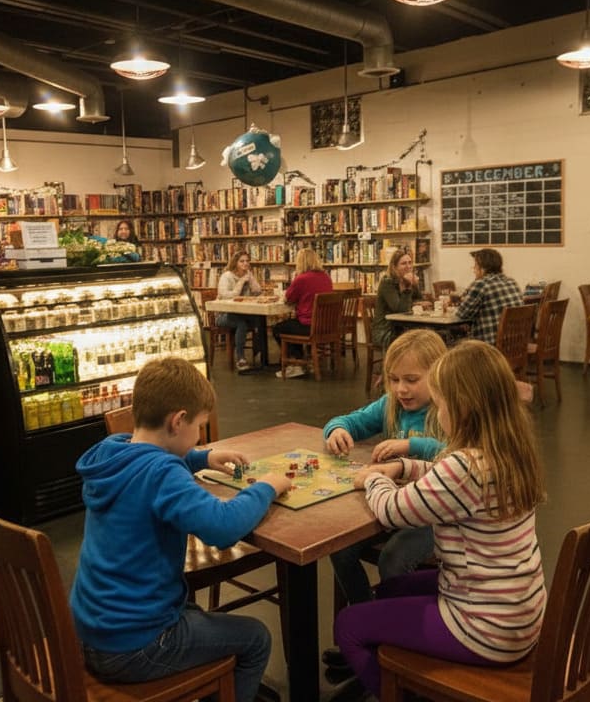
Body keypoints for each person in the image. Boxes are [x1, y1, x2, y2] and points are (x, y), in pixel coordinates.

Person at [332, 340, 546, 700]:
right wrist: (402, 466)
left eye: (442, 403)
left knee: (349, 625)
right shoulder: (506, 452)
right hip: (519, 613)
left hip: (485, 629)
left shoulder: (462, 468)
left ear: (460, 409)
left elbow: (392, 509)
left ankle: (399, 691)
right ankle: (399, 669)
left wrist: (374, 478)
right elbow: (442, 476)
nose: (439, 412)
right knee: (385, 593)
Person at [70, 357, 292, 702]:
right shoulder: (162, 475)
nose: (200, 436)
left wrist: (200, 457)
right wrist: (267, 487)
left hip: (91, 631)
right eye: (199, 427)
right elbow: (223, 528)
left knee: (198, 616)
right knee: (256, 638)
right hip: (136, 646)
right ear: (178, 421)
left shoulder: (110, 453)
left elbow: (148, 457)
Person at [324, 329, 448, 607]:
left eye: (411, 380)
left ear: (439, 375)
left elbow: (456, 454)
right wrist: (336, 430)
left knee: (392, 560)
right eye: (393, 380)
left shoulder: (446, 410)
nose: (401, 389)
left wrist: (411, 447)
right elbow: (350, 421)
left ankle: (399, 625)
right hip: (389, 504)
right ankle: (366, 610)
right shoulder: (391, 405)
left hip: (432, 516)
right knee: (339, 548)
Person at [272, 247, 334, 379]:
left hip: (309, 326)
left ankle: (296, 364)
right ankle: (303, 362)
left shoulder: (302, 279)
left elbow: (288, 298)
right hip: (326, 325)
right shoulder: (325, 277)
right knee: (291, 326)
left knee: (278, 328)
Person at [454, 248, 523, 346]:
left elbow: (461, 314)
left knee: (451, 343)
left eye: (475, 266)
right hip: (515, 343)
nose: (473, 270)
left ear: (483, 268)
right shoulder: (511, 282)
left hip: (489, 347)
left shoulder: (481, 284)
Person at [215, 251, 266, 371]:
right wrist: (241, 281)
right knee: (241, 323)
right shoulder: (227, 276)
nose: (245, 263)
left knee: (260, 319)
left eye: (247, 261)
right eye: (242, 261)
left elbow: (258, 291)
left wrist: (251, 279)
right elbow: (226, 295)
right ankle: (240, 359)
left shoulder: (248, 274)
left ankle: (261, 353)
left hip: (244, 313)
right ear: (235, 263)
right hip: (224, 315)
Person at [371, 248, 425, 349]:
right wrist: (408, 288)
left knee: (428, 335)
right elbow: (401, 310)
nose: (408, 266)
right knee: (417, 340)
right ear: (394, 267)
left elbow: (420, 301)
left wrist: (414, 287)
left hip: (403, 327)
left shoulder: (408, 279)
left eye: (410, 263)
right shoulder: (387, 282)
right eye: (403, 263)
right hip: (385, 331)